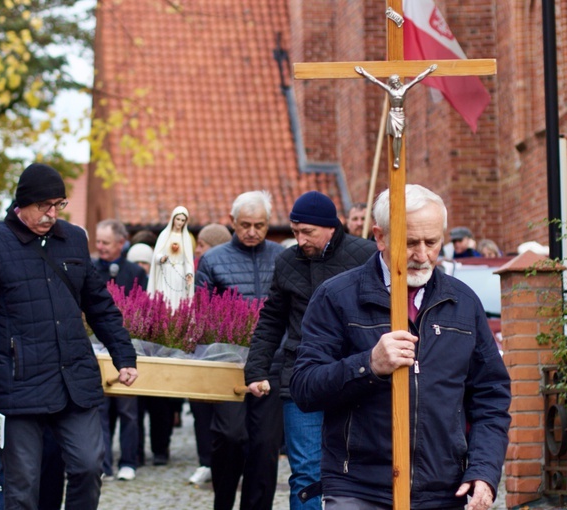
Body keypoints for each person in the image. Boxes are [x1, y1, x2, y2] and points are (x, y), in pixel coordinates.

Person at [290, 184, 511, 509]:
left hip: (443, 490)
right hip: (359, 488)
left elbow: (491, 395)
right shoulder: (337, 297)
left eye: (432, 242)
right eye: (409, 243)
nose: (422, 256)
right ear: (380, 237)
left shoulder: (463, 303)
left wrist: (484, 472)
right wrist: (369, 365)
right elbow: (305, 387)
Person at [0, 163, 138, 509]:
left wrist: (123, 355)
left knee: (87, 466)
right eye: (44, 205)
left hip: (74, 381)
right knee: (23, 487)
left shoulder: (74, 239)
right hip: (17, 383)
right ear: (21, 203)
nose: (52, 214)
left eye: (59, 205)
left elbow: (98, 302)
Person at [244, 191, 378, 510]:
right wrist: (256, 369)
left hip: (355, 373)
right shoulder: (288, 262)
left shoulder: (366, 255)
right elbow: (272, 319)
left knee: (359, 469)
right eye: (295, 232)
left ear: (331, 227)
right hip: (300, 376)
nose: (300, 239)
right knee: (305, 473)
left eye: (308, 232)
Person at [195, 190, 286, 509]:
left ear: (268, 223)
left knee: (265, 446)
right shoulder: (213, 259)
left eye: (259, 225)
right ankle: (223, 499)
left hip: (272, 364)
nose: (252, 231)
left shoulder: (282, 257)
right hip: (227, 363)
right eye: (245, 224)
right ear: (232, 222)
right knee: (232, 437)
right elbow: (200, 314)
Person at [93, 219, 147, 482]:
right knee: (100, 409)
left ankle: (129, 461)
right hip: (96, 351)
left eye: (105, 242)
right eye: (98, 241)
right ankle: (104, 464)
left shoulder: (135, 272)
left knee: (128, 410)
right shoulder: (90, 268)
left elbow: (146, 308)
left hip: (128, 348)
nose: (100, 247)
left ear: (119, 243)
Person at [183, 222, 235, 486]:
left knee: (225, 418)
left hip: (222, 351)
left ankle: (226, 465)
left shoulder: (225, 269)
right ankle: (206, 462)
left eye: (201, 245)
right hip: (198, 349)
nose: (197, 250)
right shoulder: (192, 268)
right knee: (200, 411)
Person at [355, 64, 437, 168]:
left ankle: (397, 157)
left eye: (396, 81)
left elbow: (417, 79)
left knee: (399, 136)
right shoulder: (390, 90)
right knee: (396, 136)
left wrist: (429, 70)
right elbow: (375, 81)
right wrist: (363, 72)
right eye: (393, 82)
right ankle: (396, 158)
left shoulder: (404, 89)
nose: (395, 83)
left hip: (400, 114)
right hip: (393, 114)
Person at [148, 206, 195, 310]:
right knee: (164, 297)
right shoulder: (164, 235)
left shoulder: (186, 238)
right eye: (178, 219)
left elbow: (188, 260)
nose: (179, 222)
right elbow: (156, 255)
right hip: (165, 271)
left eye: (182, 220)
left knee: (178, 300)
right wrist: (161, 258)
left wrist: (189, 273)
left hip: (179, 273)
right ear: (173, 219)